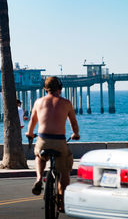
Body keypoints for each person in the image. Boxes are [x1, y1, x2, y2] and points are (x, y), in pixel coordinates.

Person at [25, 76, 80, 211]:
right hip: (59, 141)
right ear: (60, 88)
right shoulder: (66, 103)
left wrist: (30, 133)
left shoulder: (38, 102)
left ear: (45, 89)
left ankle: (39, 178)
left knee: (39, 155)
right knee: (64, 172)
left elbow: (32, 121)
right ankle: (61, 203)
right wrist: (76, 134)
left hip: (43, 139)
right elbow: (73, 122)